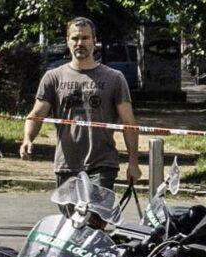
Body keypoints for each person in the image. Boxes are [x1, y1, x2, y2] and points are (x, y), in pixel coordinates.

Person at [22, 18, 141, 191]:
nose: (80, 43)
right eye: (75, 38)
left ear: (94, 40)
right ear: (67, 41)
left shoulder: (114, 78)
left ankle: (97, 219)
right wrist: (27, 139)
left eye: (85, 38)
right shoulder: (53, 77)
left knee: (94, 216)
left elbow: (129, 123)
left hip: (102, 164)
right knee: (71, 217)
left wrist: (133, 162)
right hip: (66, 165)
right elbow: (37, 114)